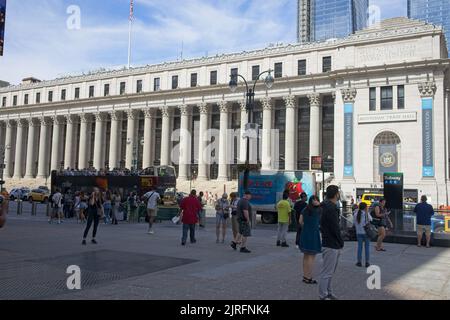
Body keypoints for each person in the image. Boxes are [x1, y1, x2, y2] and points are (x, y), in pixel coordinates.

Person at [318, 185, 344, 300]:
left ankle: (328, 292)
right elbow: (335, 227)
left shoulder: (324, 206)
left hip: (329, 242)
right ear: (336, 194)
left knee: (329, 271)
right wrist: (341, 241)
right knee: (327, 272)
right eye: (338, 193)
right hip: (331, 244)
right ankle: (323, 295)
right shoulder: (331, 208)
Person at [299, 195, 322, 284]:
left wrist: (306, 226)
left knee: (305, 256)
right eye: (315, 200)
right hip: (313, 235)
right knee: (311, 257)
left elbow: (300, 221)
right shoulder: (318, 210)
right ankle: (309, 277)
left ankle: (305, 276)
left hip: (305, 234)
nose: (316, 201)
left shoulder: (305, 209)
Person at [353, 202, 372, 268]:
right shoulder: (366, 214)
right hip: (366, 233)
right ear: (365, 207)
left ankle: (359, 262)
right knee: (367, 248)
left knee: (359, 247)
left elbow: (354, 223)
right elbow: (371, 219)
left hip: (358, 232)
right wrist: (367, 212)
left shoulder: (355, 214)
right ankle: (367, 262)